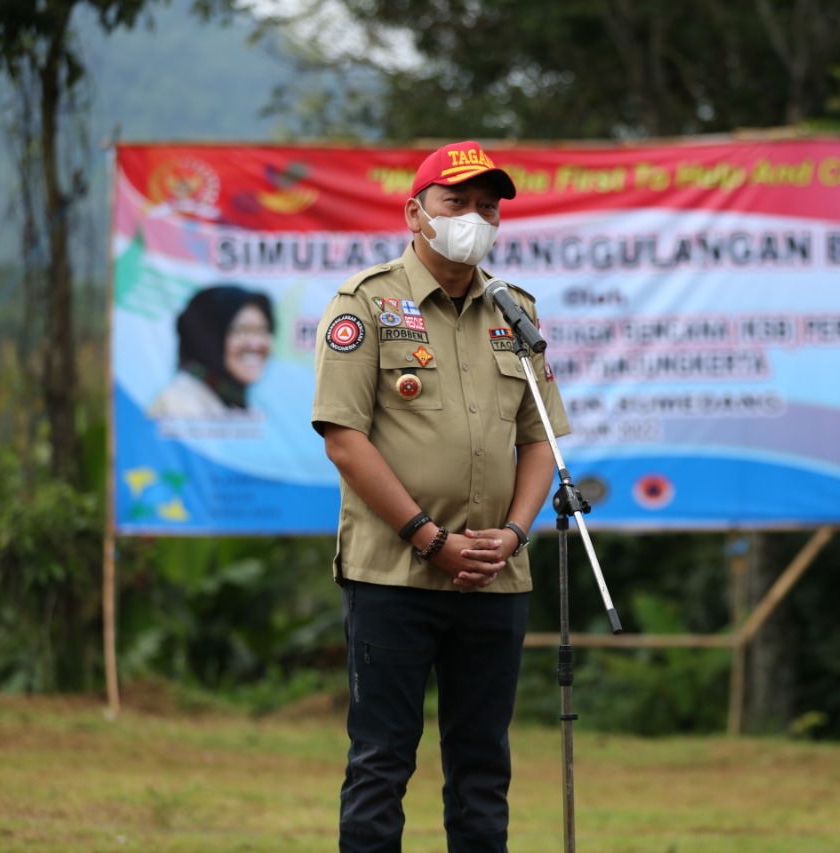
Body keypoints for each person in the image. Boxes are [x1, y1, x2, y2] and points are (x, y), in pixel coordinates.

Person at [311, 140, 570, 853]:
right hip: (394, 575)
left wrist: (514, 536)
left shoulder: (516, 313)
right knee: (381, 763)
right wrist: (430, 537)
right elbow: (343, 437)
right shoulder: (365, 303)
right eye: (457, 203)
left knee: (483, 769)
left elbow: (542, 438)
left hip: (495, 578)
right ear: (415, 213)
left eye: (488, 208)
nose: (474, 219)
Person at [147, 284, 274, 418]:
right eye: (240, 331)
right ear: (208, 338)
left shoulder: (238, 407)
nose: (256, 343)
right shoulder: (178, 405)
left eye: (263, 331)